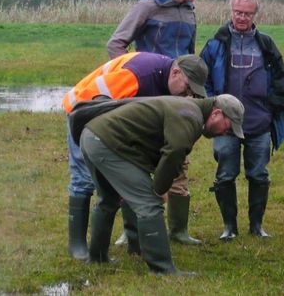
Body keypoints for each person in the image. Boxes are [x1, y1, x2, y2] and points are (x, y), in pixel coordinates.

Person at [76, 95, 245, 275]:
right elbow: (174, 151)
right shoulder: (191, 115)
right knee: (149, 203)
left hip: (93, 136)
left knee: (108, 199)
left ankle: (97, 258)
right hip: (107, 143)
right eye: (228, 127)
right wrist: (159, 189)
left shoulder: (188, 108)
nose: (226, 133)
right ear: (217, 113)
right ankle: (162, 269)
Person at [64, 52, 208, 260]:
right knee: (84, 179)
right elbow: (100, 103)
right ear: (176, 73)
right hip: (83, 112)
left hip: (113, 125)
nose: (187, 95)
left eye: (192, 93)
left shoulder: (167, 79)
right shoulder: (138, 75)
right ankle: (77, 245)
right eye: (187, 88)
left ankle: (135, 243)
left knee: (130, 175)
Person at [106, 0, 205, 246]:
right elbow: (116, 44)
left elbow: (190, 55)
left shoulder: (190, 13)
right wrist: (132, 78)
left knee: (178, 158)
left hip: (179, 100)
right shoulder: (147, 7)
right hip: (146, 98)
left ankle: (178, 230)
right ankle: (132, 230)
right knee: (137, 161)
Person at [200, 0, 284, 241]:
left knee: (259, 174)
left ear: (255, 15)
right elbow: (201, 79)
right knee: (225, 174)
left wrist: (272, 108)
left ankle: (256, 226)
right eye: (238, 12)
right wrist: (211, 108)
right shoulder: (215, 44)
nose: (242, 17)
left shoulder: (266, 44)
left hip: (258, 123)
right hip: (225, 125)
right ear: (231, 11)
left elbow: (282, 80)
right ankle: (229, 227)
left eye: (247, 14)